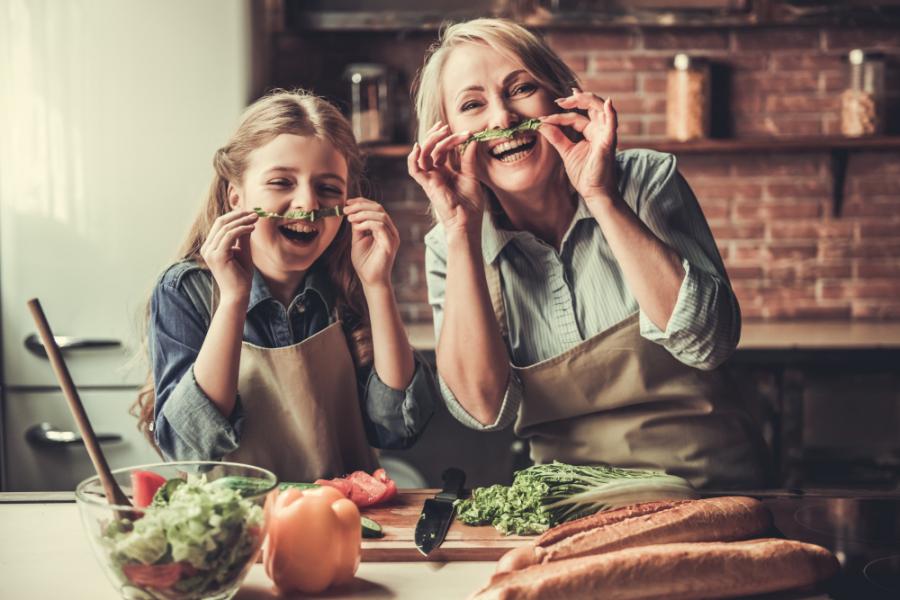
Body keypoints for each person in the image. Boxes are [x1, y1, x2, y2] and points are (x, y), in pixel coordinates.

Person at [408, 18, 768, 489]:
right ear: (449, 139)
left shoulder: (643, 181)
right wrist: (460, 230)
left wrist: (601, 196)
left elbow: (709, 342)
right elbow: (482, 410)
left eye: (519, 89)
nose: (501, 119)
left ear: (563, 98)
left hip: (708, 489)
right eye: (473, 104)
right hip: (571, 505)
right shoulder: (451, 245)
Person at [134, 89, 436, 481]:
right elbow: (193, 449)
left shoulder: (351, 279)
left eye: (328, 188)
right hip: (241, 526)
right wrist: (233, 300)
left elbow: (398, 428)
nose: (308, 204)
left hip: (344, 520)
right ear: (236, 197)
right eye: (281, 182)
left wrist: (378, 286)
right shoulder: (185, 290)